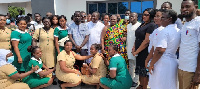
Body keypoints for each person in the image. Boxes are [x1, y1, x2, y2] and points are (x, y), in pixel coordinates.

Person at [148, 9, 180, 89]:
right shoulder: (178, 31)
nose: (161, 19)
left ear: (169, 19)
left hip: (162, 62)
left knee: (159, 85)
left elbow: (160, 50)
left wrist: (151, 63)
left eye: (163, 18)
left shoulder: (165, 31)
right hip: (173, 61)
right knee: (170, 85)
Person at [132, 8, 156, 89]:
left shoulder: (151, 25)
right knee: (140, 71)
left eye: (146, 15)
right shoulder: (143, 24)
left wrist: (137, 51)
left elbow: (146, 41)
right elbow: (137, 37)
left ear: (151, 16)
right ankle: (141, 85)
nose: (144, 16)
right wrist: (134, 47)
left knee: (144, 72)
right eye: (143, 14)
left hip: (145, 52)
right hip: (139, 51)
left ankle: (144, 86)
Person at [179, 0, 200, 89]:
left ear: (195, 7)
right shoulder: (186, 23)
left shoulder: (198, 22)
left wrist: (198, 73)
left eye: (187, 6)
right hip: (182, 67)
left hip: (192, 70)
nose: (184, 9)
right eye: (182, 7)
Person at [126, 12, 141, 87]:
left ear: (137, 17)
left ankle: (136, 80)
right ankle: (131, 80)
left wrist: (136, 49)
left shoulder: (139, 25)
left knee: (137, 66)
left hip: (136, 49)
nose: (131, 17)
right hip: (129, 49)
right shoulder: (128, 26)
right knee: (131, 65)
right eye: (130, 16)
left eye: (133, 16)